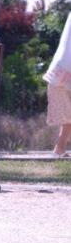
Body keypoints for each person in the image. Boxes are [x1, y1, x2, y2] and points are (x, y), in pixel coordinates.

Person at [44, 12, 71, 158]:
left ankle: (59, 148)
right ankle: (59, 148)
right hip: (64, 71)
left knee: (68, 114)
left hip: (62, 71)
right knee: (68, 113)